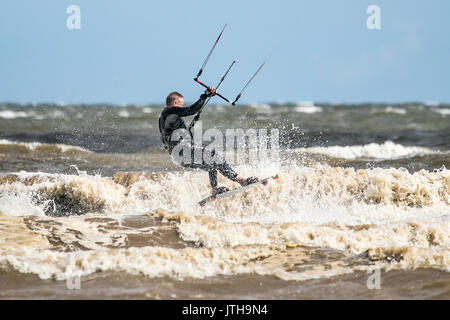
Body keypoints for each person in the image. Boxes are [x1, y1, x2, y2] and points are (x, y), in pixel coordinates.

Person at [159, 88, 258, 196]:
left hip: (180, 156)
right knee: (213, 154)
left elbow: (171, 138)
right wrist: (204, 96)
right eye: (181, 105)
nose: (181, 107)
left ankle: (214, 188)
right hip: (183, 150)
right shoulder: (169, 111)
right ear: (175, 103)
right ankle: (241, 180)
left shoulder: (164, 118)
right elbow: (191, 110)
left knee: (211, 163)